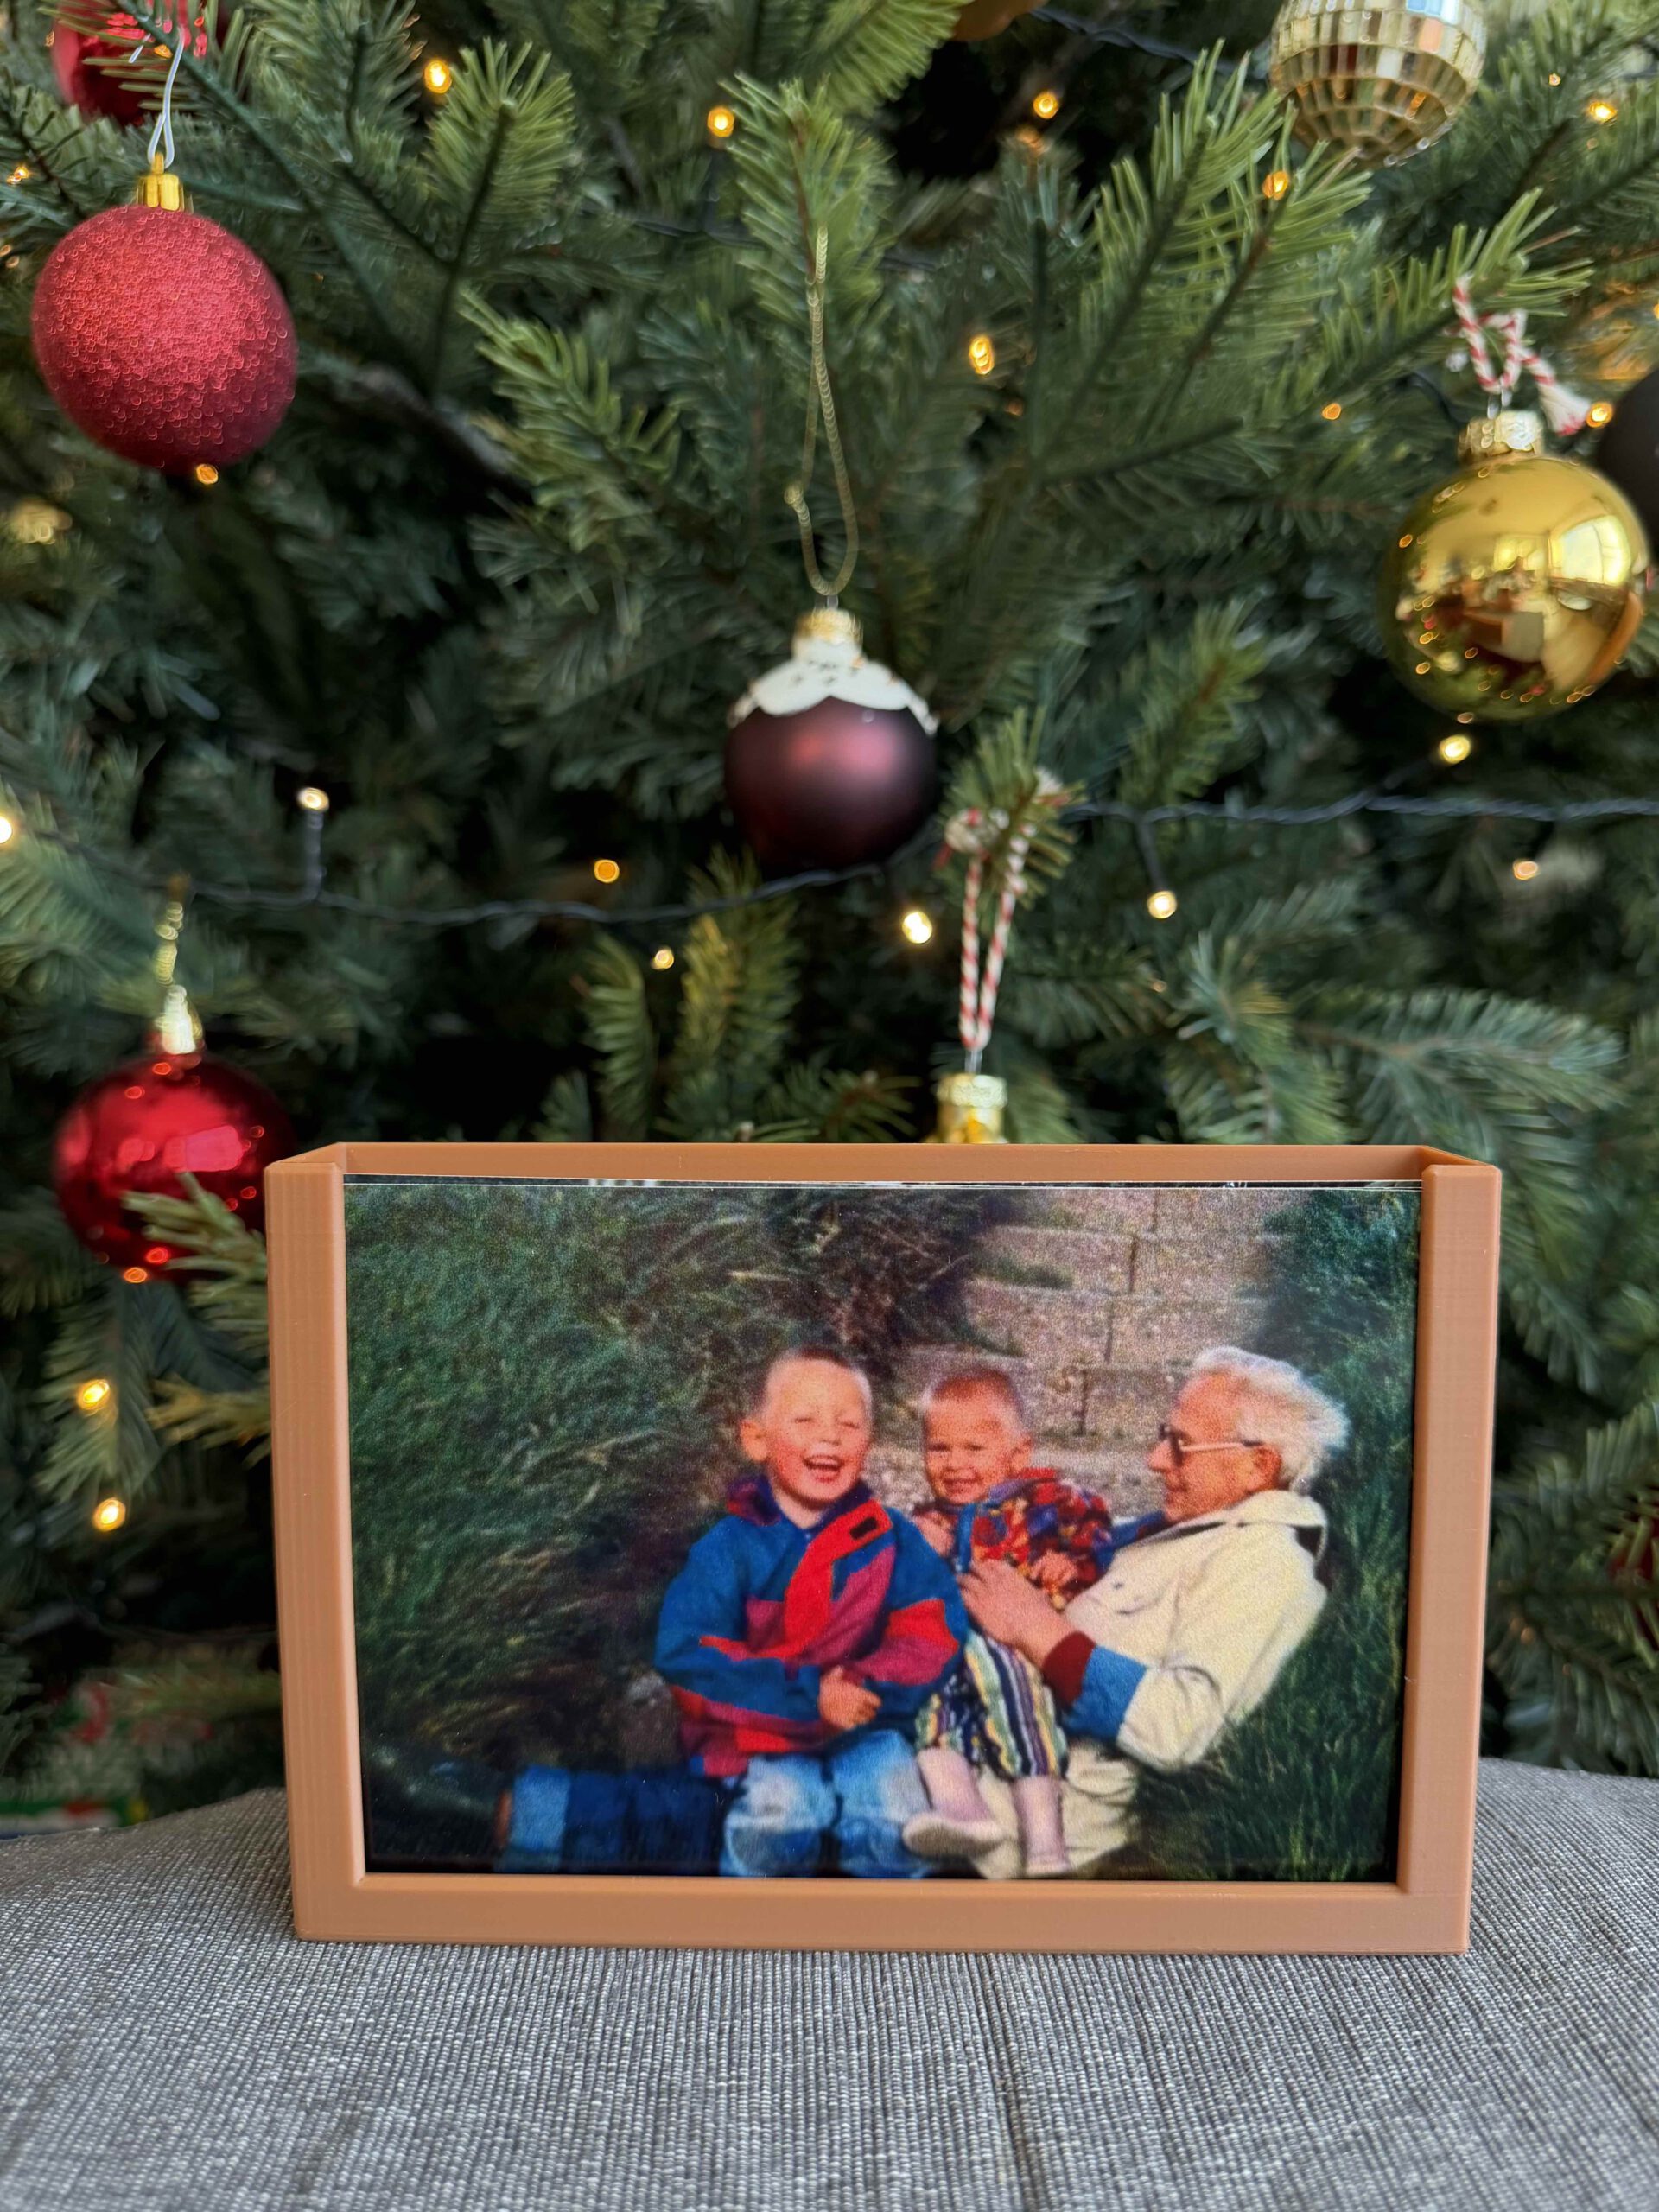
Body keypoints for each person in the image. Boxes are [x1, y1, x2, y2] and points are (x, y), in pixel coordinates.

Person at [956, 1346, 1349, 1880]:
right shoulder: (1200, 1524)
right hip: (977, 1761)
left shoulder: (1267, 1563)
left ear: (1258, 1466)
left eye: (1181, 1446)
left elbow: (1181, 1725)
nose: (1155, 1460)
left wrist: (1037, 1630)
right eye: (1165, 1435)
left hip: (1011, 1831)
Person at [652, 1347, 967, 1878]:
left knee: (894, 1814)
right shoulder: (729, 1546)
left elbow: (932, 1629)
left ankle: (888, 1939)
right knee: (782, 1814)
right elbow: (689, 1654)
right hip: (760, 1729)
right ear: (757, 1439)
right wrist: (809, 1695)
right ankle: (758, 1935)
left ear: (868, 1443)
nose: (830, 1436)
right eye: (805, 1420)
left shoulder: (891, 1539)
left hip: (864, 1726)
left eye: (849, 1423)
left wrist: (864, 1684)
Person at [902, 1369, 1120, 1878]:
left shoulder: (1049, 1501)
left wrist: (1074, 1563)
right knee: (927, 1706)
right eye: (939, 1449)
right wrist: (914, 1544)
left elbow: (1100, 1533)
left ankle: (1046, 1842)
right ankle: (962, 1812)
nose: (954, 1465)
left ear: (1018, 1454)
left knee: (1014, 1694)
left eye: (974, 1449)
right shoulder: (930, 1517)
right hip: (952, 1646)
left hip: (1011, 1643)